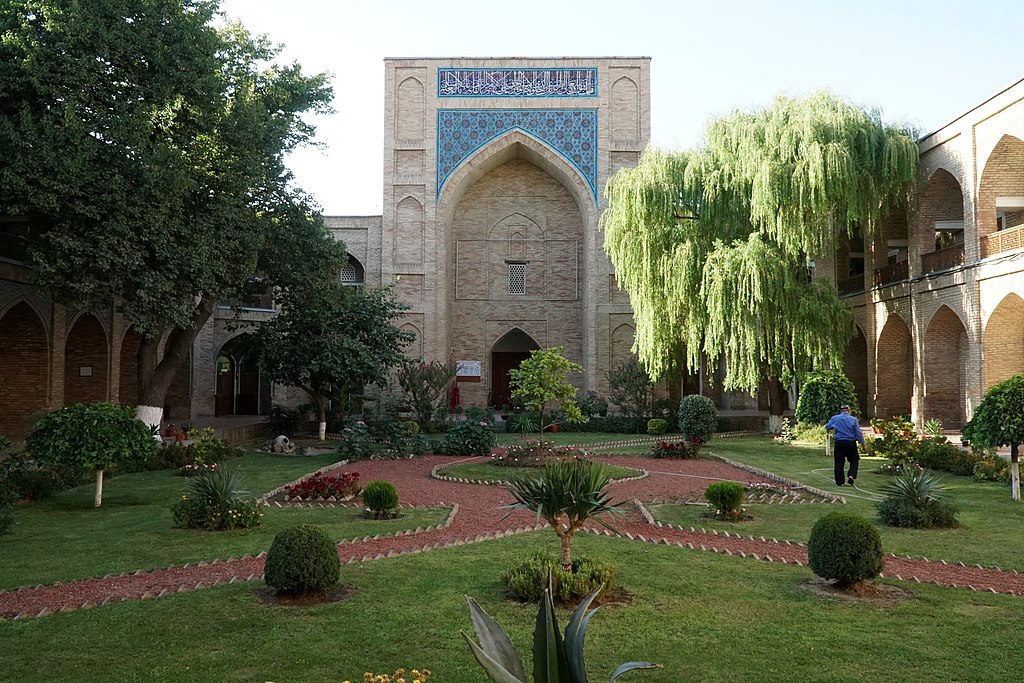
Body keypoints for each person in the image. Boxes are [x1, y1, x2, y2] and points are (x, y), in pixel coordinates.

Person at [825, 404, 864, 486]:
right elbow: (858, 432)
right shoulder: (853, 419)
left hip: (839, 442)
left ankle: (840, 482)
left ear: (841, 411)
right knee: (854, 460)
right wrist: (862, 443)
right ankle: (851, 475)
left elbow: (828, 427)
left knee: (839, 462)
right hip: (850, 442)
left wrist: (834, 427)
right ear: (849, 410)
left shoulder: (835, 418)